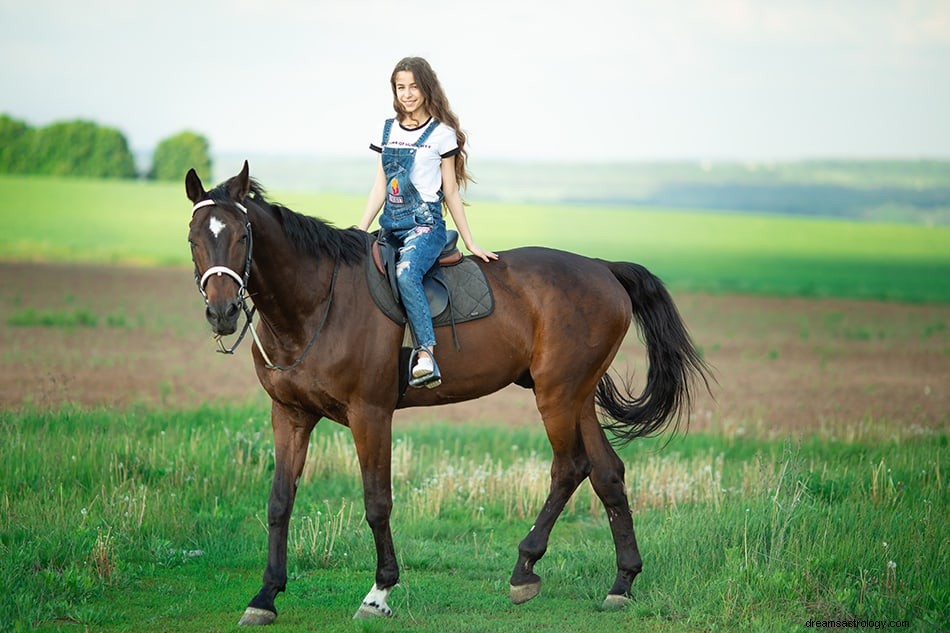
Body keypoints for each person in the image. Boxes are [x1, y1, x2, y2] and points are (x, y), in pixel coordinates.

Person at [358, 56, 497, 388]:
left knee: (407, 273)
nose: (406, 94)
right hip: (391, 223)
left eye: (413, 87)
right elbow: (380, 186)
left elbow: (449, 190)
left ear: (426, 88)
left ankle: (425, 354)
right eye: (400, 87)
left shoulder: (442, 135)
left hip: (426, 226)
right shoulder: (386, 130)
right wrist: (358, 230)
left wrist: (470, 241)